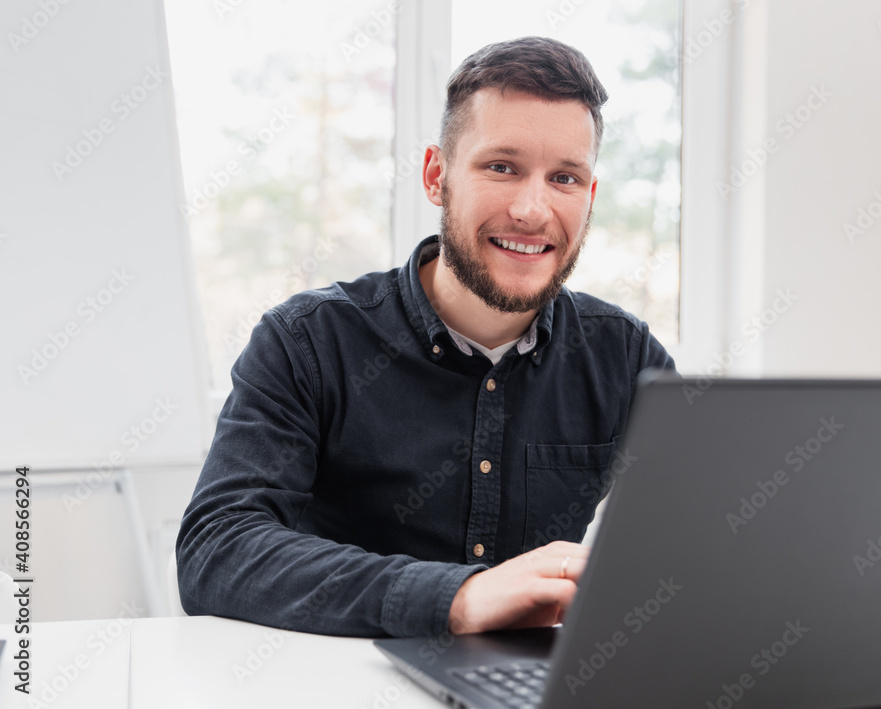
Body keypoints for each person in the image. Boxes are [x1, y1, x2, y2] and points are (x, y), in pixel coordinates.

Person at [176, 35, 675, 638]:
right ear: (437, 176)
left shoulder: (626, 359)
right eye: (501, 167)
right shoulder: (307, 342)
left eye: (564, 178)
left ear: (589, 198)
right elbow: (216, 550)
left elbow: (708, 538)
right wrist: (456, 597)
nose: (533, 210)